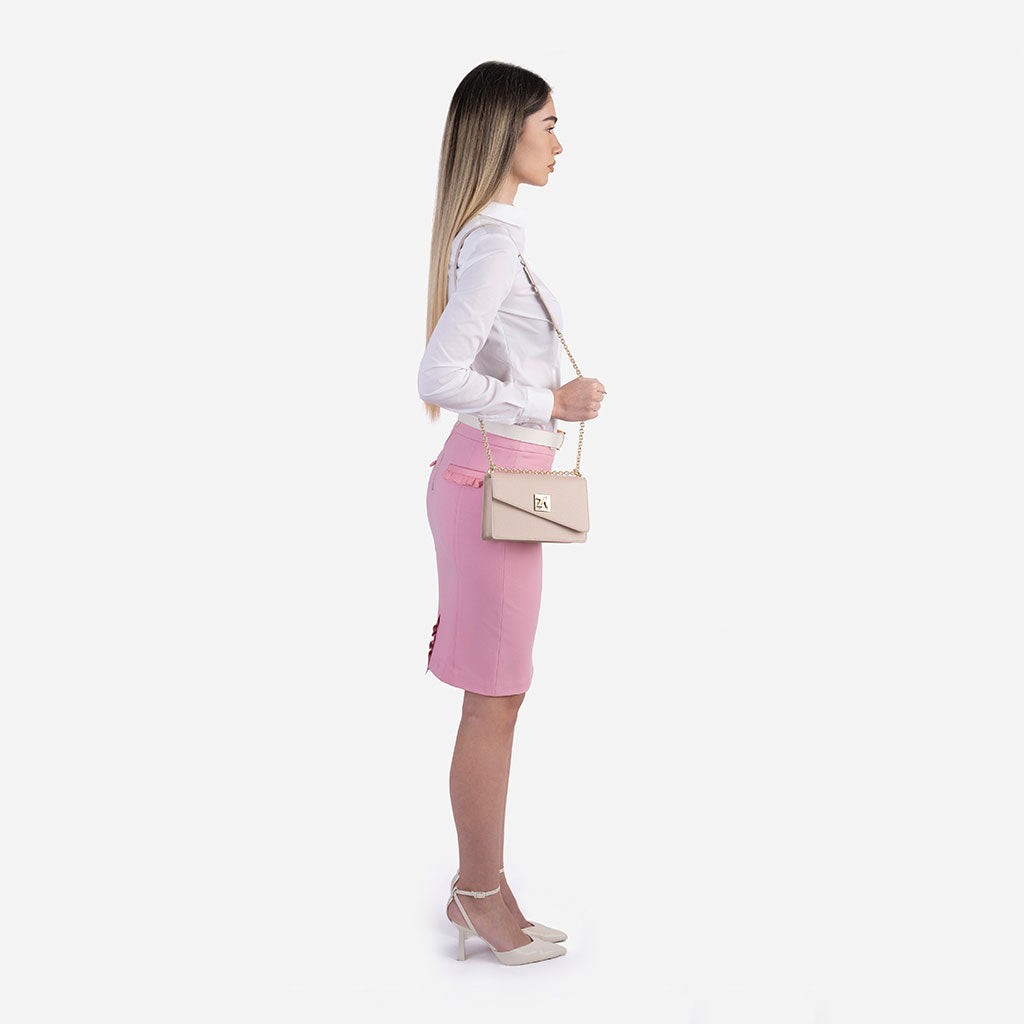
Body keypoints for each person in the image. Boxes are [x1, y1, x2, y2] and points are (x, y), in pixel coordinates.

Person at [417, 61, 606, 966]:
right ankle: (480, 895)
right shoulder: (493, 245)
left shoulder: (491, 237)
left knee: (500, 693)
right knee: (493, 700)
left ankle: (483, 887)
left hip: (494, 487)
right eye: (549, 124)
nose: (560, 142)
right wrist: (549, 402)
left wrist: (544, 401)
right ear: (507, 132)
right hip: (488, 489)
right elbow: (438, 376)